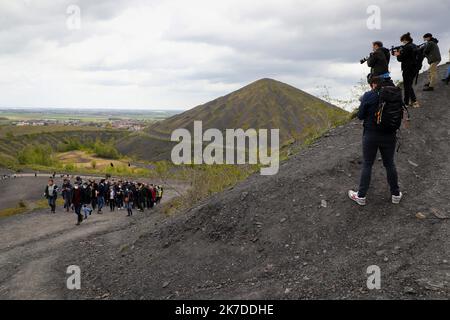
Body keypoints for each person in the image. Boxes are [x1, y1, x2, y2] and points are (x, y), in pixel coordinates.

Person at [348, 77, 402, 206]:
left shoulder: (369, 95)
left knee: (367, 164)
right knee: (389, 164)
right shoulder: (394, 96)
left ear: (373, 84)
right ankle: (395, 194)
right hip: (390, 135)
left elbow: (360, 116)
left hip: (371, 135)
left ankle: (361, 196)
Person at [394, 33, 420, 108]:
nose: (402, 42)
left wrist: (397, 54)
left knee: (407, 85)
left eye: (402, 40)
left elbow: (401, 59)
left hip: (407, 68)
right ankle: (413, 101)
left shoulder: (407, 47)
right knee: (409, 85)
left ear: (405, 40)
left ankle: (406, 103)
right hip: (414, 68)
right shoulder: (414, 46)